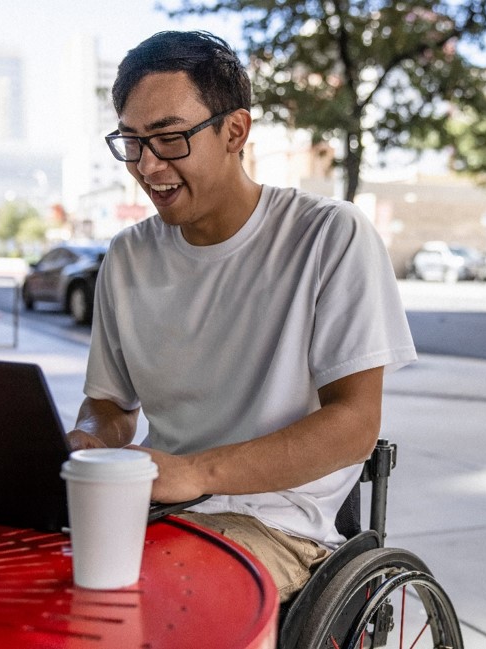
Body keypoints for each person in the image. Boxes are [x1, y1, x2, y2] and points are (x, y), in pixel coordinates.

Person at [67, 30, 416, 603]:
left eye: (170, 139)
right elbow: (111, 405)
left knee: (149, 601)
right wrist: (87, 439)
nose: (147, 166)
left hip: (280, 525)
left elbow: (355, 424)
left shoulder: (329, 235)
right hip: (155, 506)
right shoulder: (128, 257)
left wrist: (195, 473)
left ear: (236, 131)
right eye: (131, 142)